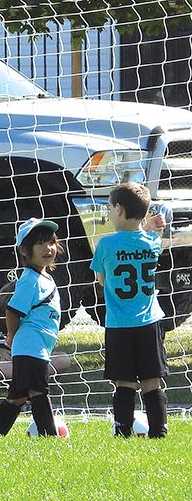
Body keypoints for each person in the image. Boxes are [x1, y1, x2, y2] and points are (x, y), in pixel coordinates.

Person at [90, 182, 168, 438]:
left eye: (110, 208)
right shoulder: (153, 243)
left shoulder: (105, 245)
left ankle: (122, 430)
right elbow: (140, 238)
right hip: (149, 322)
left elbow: (101, 280)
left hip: (119, 324)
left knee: (124, 382)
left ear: (119, 209)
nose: (109, 214)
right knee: (151, 382)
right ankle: (159, 432)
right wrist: (146, 228)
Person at [0, 218, 62, 437]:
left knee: (17, 397)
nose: (48, 248)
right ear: (24, 250)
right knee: (39, 392)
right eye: (39, 243)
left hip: (36, 347)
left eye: (51, 242)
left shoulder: (44, 277)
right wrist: (12, 335)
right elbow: (12, 311)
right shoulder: (30, 280)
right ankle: (49, 437)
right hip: (30, 347)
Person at [0, 280, 71, 381]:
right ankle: (26, 379)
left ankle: (18, 378)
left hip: (31, 361)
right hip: (2, 361)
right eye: (9, 315)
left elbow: (46, 348)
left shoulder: (38, 317)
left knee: (63, 359)